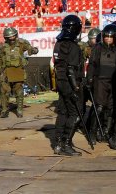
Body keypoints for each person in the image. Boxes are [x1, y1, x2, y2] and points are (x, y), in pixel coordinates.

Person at [53, 15, 84, 156]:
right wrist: (76, 87)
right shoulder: (73, 47)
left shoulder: (58, 43)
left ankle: (58, 142)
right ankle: (65, 144)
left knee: (63, 112)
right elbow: (71, 69)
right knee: (76, 114)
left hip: (60, 81)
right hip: (70, 83)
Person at [87, 24, 116, 144]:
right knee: (99, 107)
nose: (108, 38)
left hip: (114, 82)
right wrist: (89, 79)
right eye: (106, 36)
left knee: (111, 108)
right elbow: (92, 64)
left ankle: (107, 131)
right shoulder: (98, 48)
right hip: (100, 81)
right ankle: (92, 132)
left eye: (110, 37)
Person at [0, 27, 39, 118]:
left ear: (16, 35)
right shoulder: (2, 46)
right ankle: (4, 110)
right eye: (9, 37)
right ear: (6, 38)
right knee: (4, 91)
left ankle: (19, 110)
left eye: (13, 36)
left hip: (18, 69)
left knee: (18, 90)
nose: (11, 38)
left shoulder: (22, 43)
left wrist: (34, 50)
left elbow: (30, 49)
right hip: (6, 70)